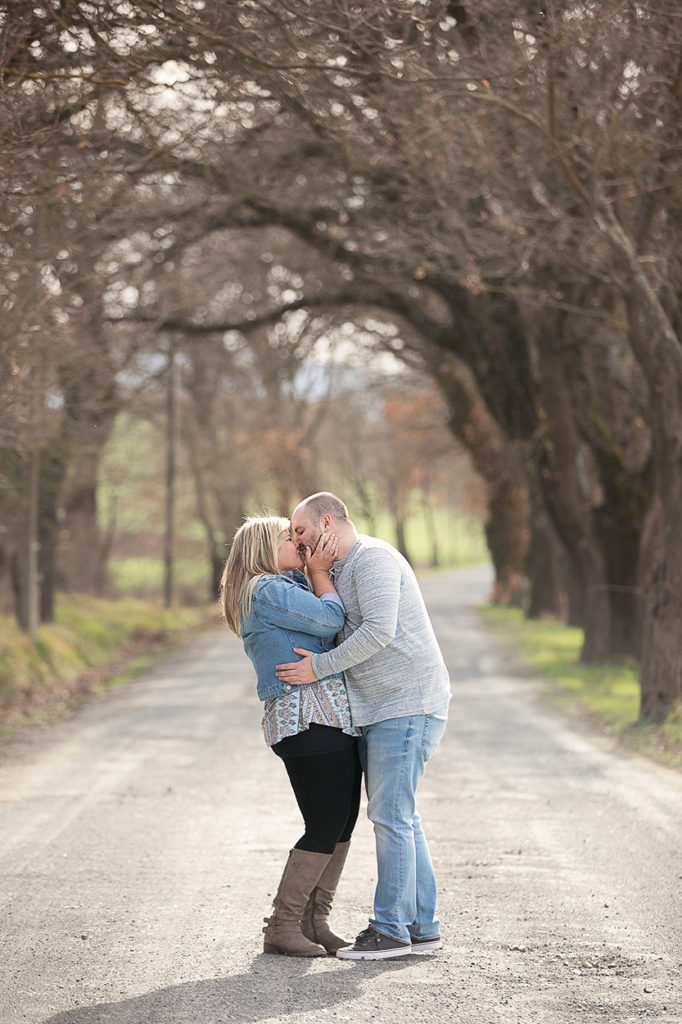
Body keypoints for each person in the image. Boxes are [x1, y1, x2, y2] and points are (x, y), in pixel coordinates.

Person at [276, 492, 451, 961]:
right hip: (382, 708)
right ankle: (423, 926)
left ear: (327, 521)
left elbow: (379, 631)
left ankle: (390, 931)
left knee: (391, 817)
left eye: (302, 531)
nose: (299, 541)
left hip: (406, 704)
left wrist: (319, 669)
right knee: (402, 816)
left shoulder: (372, 560)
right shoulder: (337, 569)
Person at [220, 515, 362, 958]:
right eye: (288, 537)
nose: (298, 542)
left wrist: (312, 573)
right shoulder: (265, 589)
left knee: (343, 820)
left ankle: (315, 922)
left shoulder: (285, 584)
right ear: (264, 548)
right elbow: (330, 620)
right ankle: (282, 926)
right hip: (305, 717)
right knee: (324, 823)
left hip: (328, 714)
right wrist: (319, 573)